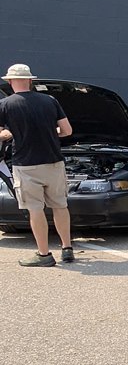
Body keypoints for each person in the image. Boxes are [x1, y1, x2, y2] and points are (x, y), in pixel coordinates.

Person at [0, 63, 75, 266]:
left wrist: (10, 133)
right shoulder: (50, 100)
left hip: (26, 165)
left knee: (35, 209)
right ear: (31, 81)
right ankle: (67, 249)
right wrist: (51, 133)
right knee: (60, 205)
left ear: (10, 82)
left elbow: (0, 134)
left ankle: (44, 255)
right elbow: (67, 131)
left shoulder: (5, 105)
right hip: (54, 162)